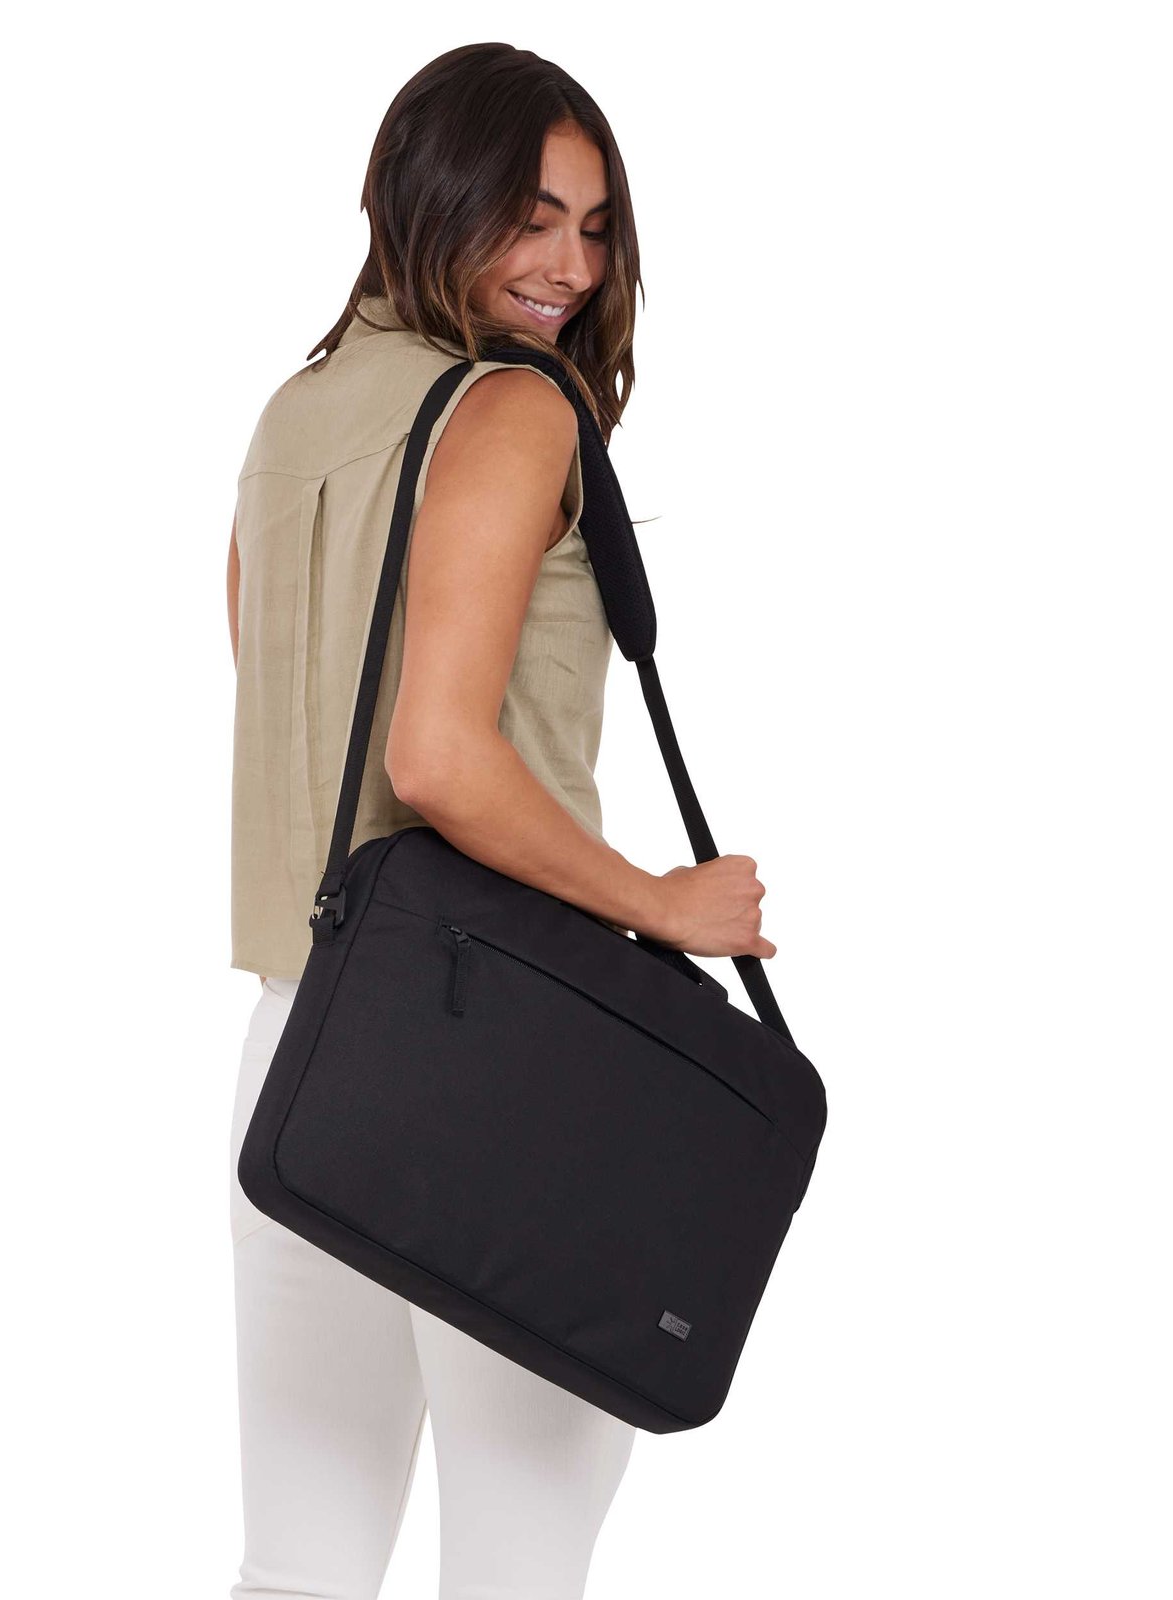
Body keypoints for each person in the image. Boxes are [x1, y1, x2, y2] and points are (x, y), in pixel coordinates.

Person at [223, 43, 775, 1600]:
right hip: (505, 1059)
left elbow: (272, 675)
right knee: (519, 1571)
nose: (571, 269)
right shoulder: (515, 407)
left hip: (305, 1046)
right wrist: (666, 905)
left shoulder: (294, 412)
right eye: (529, 218)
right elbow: (438, 759)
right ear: (431, 192)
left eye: (594, 228)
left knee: (300, 1566)